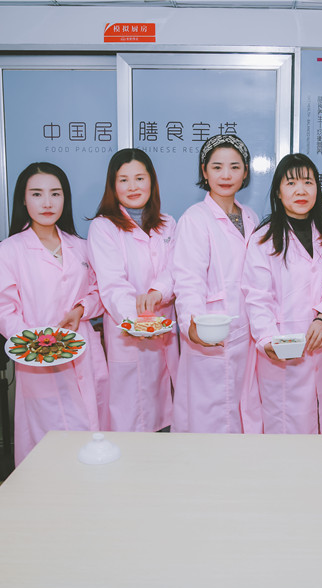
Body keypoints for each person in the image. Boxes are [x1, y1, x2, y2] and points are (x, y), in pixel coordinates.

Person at [0, 162, 109, 464]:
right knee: (49, 443)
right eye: (37, 194)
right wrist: (36, 341)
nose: (47, 203)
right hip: (38, 358)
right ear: (23, 199)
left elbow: (99, 293)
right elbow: (3, 309)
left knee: (92, 435)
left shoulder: (81, 247)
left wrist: (81, 309)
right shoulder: (8, 252)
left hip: (83, 351)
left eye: (55, 193)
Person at [241, 153, 322, 434]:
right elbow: (257, 296)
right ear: (278, 191)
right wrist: (267, 339)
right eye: (291, 183)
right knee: (286, 424)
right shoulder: (263, 239)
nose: (301, 190)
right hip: (282, 346)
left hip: (321, 338)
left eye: (308, 182)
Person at [171, 134, 260, 433]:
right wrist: (193, 323)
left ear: (245, 172)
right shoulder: (195, 218)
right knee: (209, 414)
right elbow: (187, 278)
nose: (226, 175)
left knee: (242, 408)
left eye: (234, 167)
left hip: (246, 331)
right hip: (210, 331)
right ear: (204, 171)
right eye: (217, 167)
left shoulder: (251, 216)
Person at [87, 149, 177, 432]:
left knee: (168, 414)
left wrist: (158, 291)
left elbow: (177, 269)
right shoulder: (103, 227)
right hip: (128, 331)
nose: (133, 186)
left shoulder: (168, 224)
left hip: (166, 330)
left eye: (140, 178)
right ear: (113, 186)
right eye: (123, 180)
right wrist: (140, 323)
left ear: (152, 181)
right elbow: (112, 283)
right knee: (132, 418)